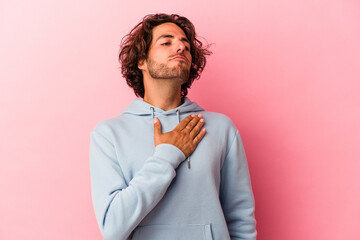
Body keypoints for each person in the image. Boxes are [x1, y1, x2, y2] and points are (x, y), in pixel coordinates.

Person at [89, 13, 257, 240]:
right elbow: (112, 227)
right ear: (142, 61)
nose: (180, 47)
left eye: (185, 45)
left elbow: (240, 218)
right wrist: (167, 155)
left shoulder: (221, 128)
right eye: (166, 42)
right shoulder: (109, 134)